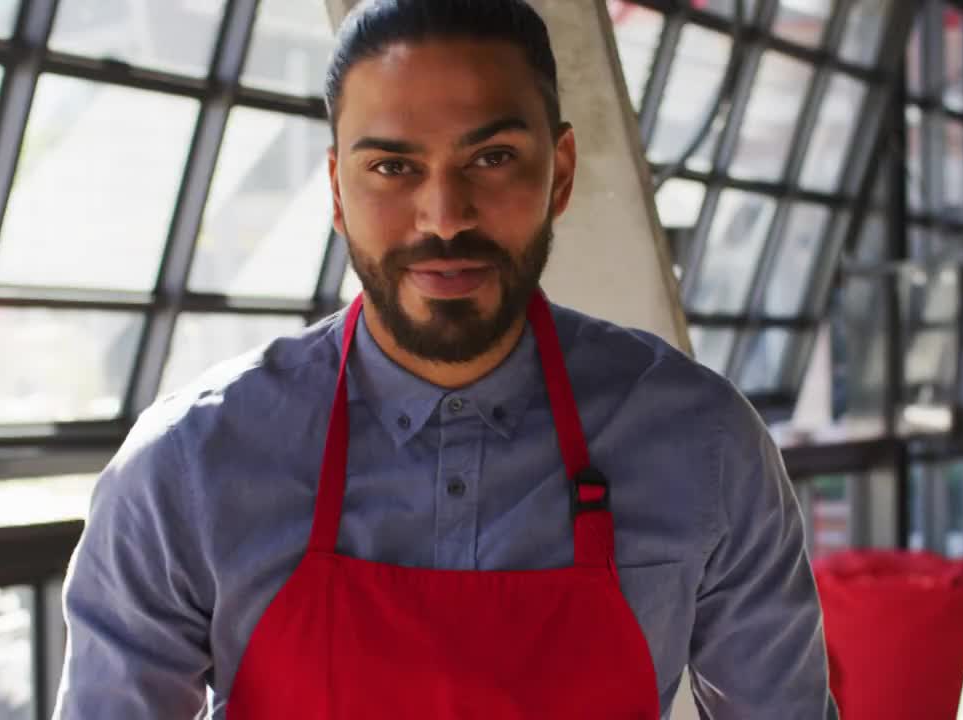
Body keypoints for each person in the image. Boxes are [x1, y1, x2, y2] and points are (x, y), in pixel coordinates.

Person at [54, 0, 833, 717]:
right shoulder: (185, 467)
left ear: (559, 172)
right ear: (335, 190)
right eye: (392, 167)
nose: (445, 216)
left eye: (491, 158)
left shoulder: (705, 445)